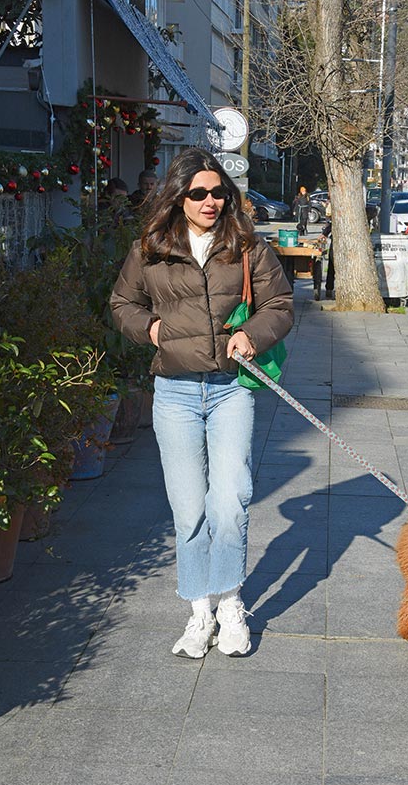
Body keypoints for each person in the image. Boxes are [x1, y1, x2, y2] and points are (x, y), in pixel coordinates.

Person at [110, 148, 294, 659]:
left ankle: (231, 604)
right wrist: (148, 327)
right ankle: (199, 612)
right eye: (198, 193)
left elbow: (280, 304)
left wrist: (252, 336)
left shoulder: (247, 246)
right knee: (188, 506)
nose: (210, 201)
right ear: (178, 197)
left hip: (232, 386)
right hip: (175, 391)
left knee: (230, 499)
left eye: (219, 192)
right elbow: (122, 302)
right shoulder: (150, 248)